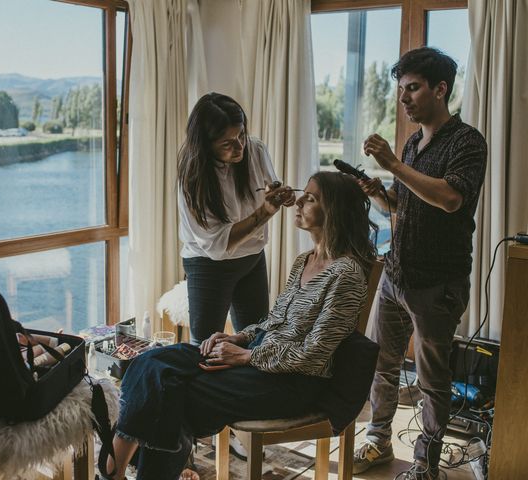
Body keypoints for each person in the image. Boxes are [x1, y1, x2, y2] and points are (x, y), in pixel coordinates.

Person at [100, 172, 378, 480]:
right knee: (151, 360)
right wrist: (237, 337)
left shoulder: (346, 274)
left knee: (171, 392)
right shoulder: (304, 260)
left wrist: (245, 356)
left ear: (335, 212)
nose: (298, 201)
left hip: (292, 383)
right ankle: (118, 472)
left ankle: (112, 471)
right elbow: (274, 322)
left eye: (310, 198)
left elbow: (314, 356)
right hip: (258, 361)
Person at [352, 47, 487, 480]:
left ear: (440, 89)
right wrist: (379, 191)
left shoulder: (468, 141)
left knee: (432, 380)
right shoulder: (413, 142)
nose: (404, 98)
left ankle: (426, 464)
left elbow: (449, 198)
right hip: (395, 275)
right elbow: (406, 202)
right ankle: (378, 439)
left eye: (412, 88)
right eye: (401, 89)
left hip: (437, 284)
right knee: (381, 363)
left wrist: (392, 163)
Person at [177, 92, 295, 346]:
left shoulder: (255, 149)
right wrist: (264, 211)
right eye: (227, 143)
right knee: (205, 346)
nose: (240, 147)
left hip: (252, 259)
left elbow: (270, 186)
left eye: (240, 135)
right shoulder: (192, 179)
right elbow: (218, 244)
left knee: (256, 339)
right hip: (208, 264)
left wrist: (280, 195)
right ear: (205, 145)